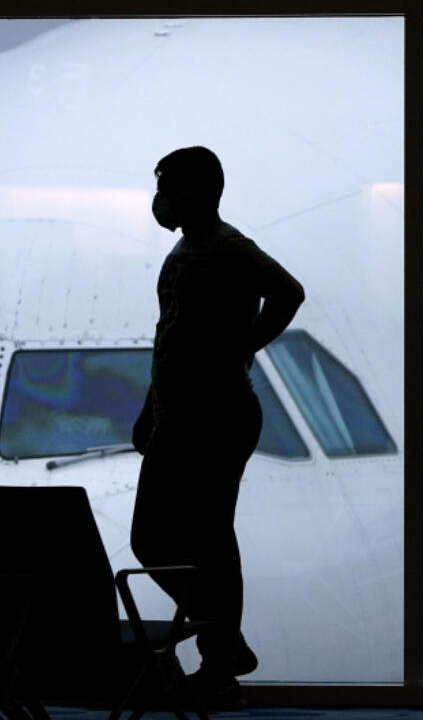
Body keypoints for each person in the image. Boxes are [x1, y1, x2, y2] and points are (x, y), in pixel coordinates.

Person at [129, 145, 305, 708]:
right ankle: (222, 645)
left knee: (185, 540)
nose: (161, 200)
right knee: (177, 540)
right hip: (181, 416)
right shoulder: (187, 250)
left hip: (214, 417)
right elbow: (172, 335)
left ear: (202, 192)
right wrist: (151, 408)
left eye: (170, 187)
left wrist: (243, 347)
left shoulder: (228, 248)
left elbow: (289, 292)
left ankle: (219, 652)